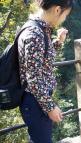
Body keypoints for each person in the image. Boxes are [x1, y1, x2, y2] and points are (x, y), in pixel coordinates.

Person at [17, 0, 73, 142]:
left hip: (37, 99)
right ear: (57, 10)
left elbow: (40, 57)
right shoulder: (35, 34)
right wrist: (50, 108)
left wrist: (58, 42)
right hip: (35, 102)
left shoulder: (38, 27)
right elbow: (34, 78)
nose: (64, 19)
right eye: (65, 15)